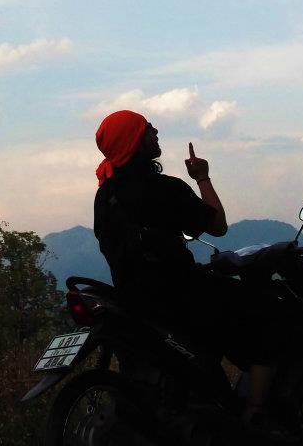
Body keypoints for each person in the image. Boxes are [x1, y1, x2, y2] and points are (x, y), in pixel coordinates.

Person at [93, 109, 291, 431]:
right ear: (135, 142)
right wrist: (202, 177)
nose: (155, 132)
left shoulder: (105, 196)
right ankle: (255, 417)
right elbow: (218, 225)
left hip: (134, 304)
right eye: (147, 129)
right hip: (182, 297)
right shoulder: (164, 189)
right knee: (269, 318)